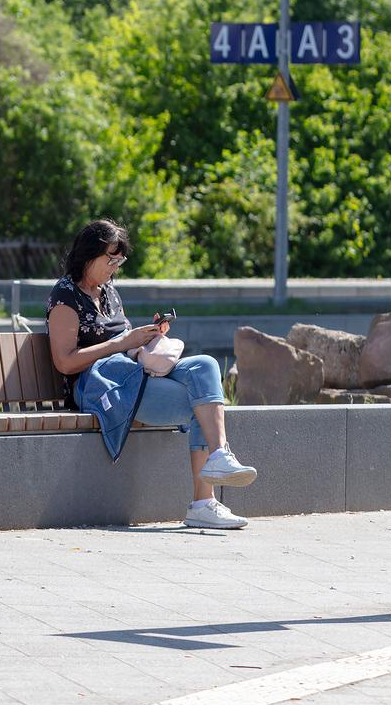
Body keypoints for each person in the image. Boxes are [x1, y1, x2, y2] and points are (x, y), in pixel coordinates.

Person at [46, 219, 258, 531]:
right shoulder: (66, 296)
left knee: (205, 367)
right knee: (200, 404)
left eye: (120, 260)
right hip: (99, 385)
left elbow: (125, 338)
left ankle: (219, 455)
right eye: (111, 259)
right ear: (88, 255)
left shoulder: (107, 291)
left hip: (132, 371)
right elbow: (64, 363)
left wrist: (148, 335)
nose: (116, 267)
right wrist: (121, 343)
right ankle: (203, 502)